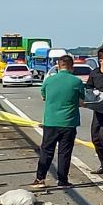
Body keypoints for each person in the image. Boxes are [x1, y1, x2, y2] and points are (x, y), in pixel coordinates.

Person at [31, 51, 85, 188]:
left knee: (46, 150)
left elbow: (43, 96)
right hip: (69, 122)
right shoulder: (77, 82)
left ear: (58, 66)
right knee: (64, 152)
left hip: (51, 122)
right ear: (72, 67)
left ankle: (40, 179)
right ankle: (62, 180)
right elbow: (81, 101)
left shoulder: (49, 80)